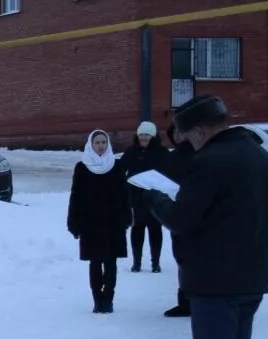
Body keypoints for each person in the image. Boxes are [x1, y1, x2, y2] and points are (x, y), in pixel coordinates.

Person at [143, 94, 268, 339]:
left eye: (188, 137)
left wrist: (156, 201)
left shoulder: (212, 162)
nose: (189, 145)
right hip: (252, 277)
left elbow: (183, 219)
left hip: (215, 282)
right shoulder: (258, 155)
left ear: (201, 130)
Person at [67, 129, 129, 313]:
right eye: (97, 143)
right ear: (91, 145)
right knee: (95, 263)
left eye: (103, 142)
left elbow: (124, 195)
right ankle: (97, 299)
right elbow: (76, 197)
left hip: (113, 222)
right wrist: (74, 222)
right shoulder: (82, 167)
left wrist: (126, 217)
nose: (100, 146)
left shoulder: (116, 166)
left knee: (111, 263)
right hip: (90, 223)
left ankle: (108, 298)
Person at [117, 121, 167, 273]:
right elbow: (121, 170)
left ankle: (155, 263)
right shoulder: (131, 152)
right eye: (141, 135)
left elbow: (168, 174)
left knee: (155, 231)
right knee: (137, 230)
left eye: (147, 135)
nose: (144, 138)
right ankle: (136, 262)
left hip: (154, 198)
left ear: (153, 136)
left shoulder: (162, 152)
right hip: (136, 199)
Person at [161, 119, 196, 317]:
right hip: (177, 210)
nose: (177, 137)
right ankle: (185, 300)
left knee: (190, 259)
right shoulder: (172, 157)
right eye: (174, 133)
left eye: (180, 132)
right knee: (181, 257)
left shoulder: (200, 155)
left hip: (191, 211)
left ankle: (193, 299)